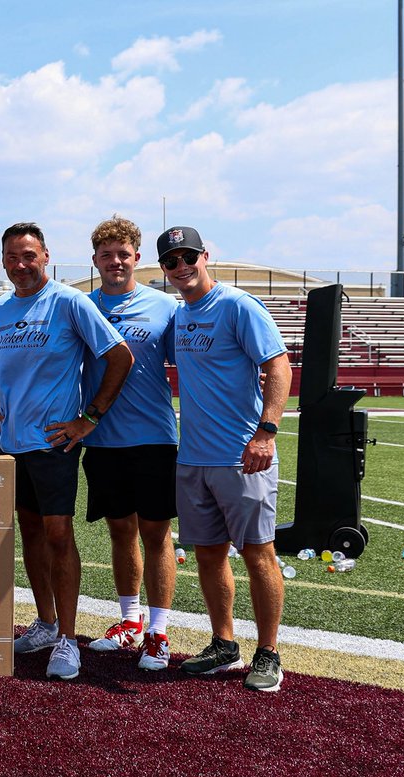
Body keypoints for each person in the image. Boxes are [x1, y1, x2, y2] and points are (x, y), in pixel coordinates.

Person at [0, 222, 133, 681]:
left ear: (46, 256)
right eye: (12, 257)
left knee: (59, 536)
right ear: (3, 261)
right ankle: (44, 624)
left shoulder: (69, 301)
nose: (21, 265)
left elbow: (119, 356)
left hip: (54, 443)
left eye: (29, 256)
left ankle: (68, 638)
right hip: (10, 444)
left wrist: (91, 417)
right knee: (28, 533)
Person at [159, 225, 292, 693]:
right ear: (164, 269)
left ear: (204, 255)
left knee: (258, 554)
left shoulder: (237, 305)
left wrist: (266, 432)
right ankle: (223, 643)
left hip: (243, 457)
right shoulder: (179, 317)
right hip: (193, 457)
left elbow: (278, 366)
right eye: (172, 261)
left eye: (188, 256)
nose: (181, 266)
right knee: (209, 555)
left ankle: (270, 652)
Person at [80, 217, 179, 671]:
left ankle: (158, 632)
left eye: (124, 254)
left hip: (154, 436)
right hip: (101, 439)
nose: (116, 262)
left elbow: (192, 359)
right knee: (120, 530)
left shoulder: (164, 306)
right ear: (95, 260)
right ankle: (129, 621)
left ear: (136, 257)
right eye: (107, 255)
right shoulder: (82, 306)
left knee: (156, 534)